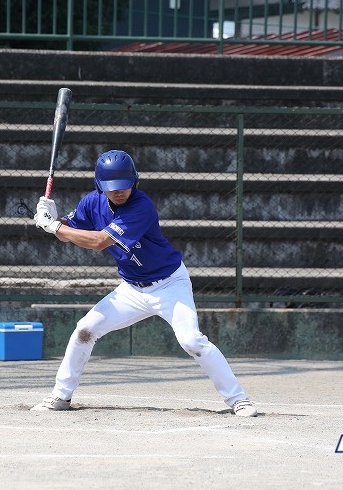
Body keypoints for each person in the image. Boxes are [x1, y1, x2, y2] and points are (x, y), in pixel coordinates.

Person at [30, 150, 257, 417]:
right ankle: (61, 395)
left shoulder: (141, 205)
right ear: (100, 186)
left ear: (134, 182)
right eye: (112, 187)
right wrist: (53, 219)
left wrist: (54, 227)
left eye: (125, 185)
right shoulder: (92, 202)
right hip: (131, 289)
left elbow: (99, 241)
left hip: (169, 284)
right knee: (85, 330)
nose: (119, 192)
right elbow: (69, 233)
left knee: (192, 341)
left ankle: (238, 399)